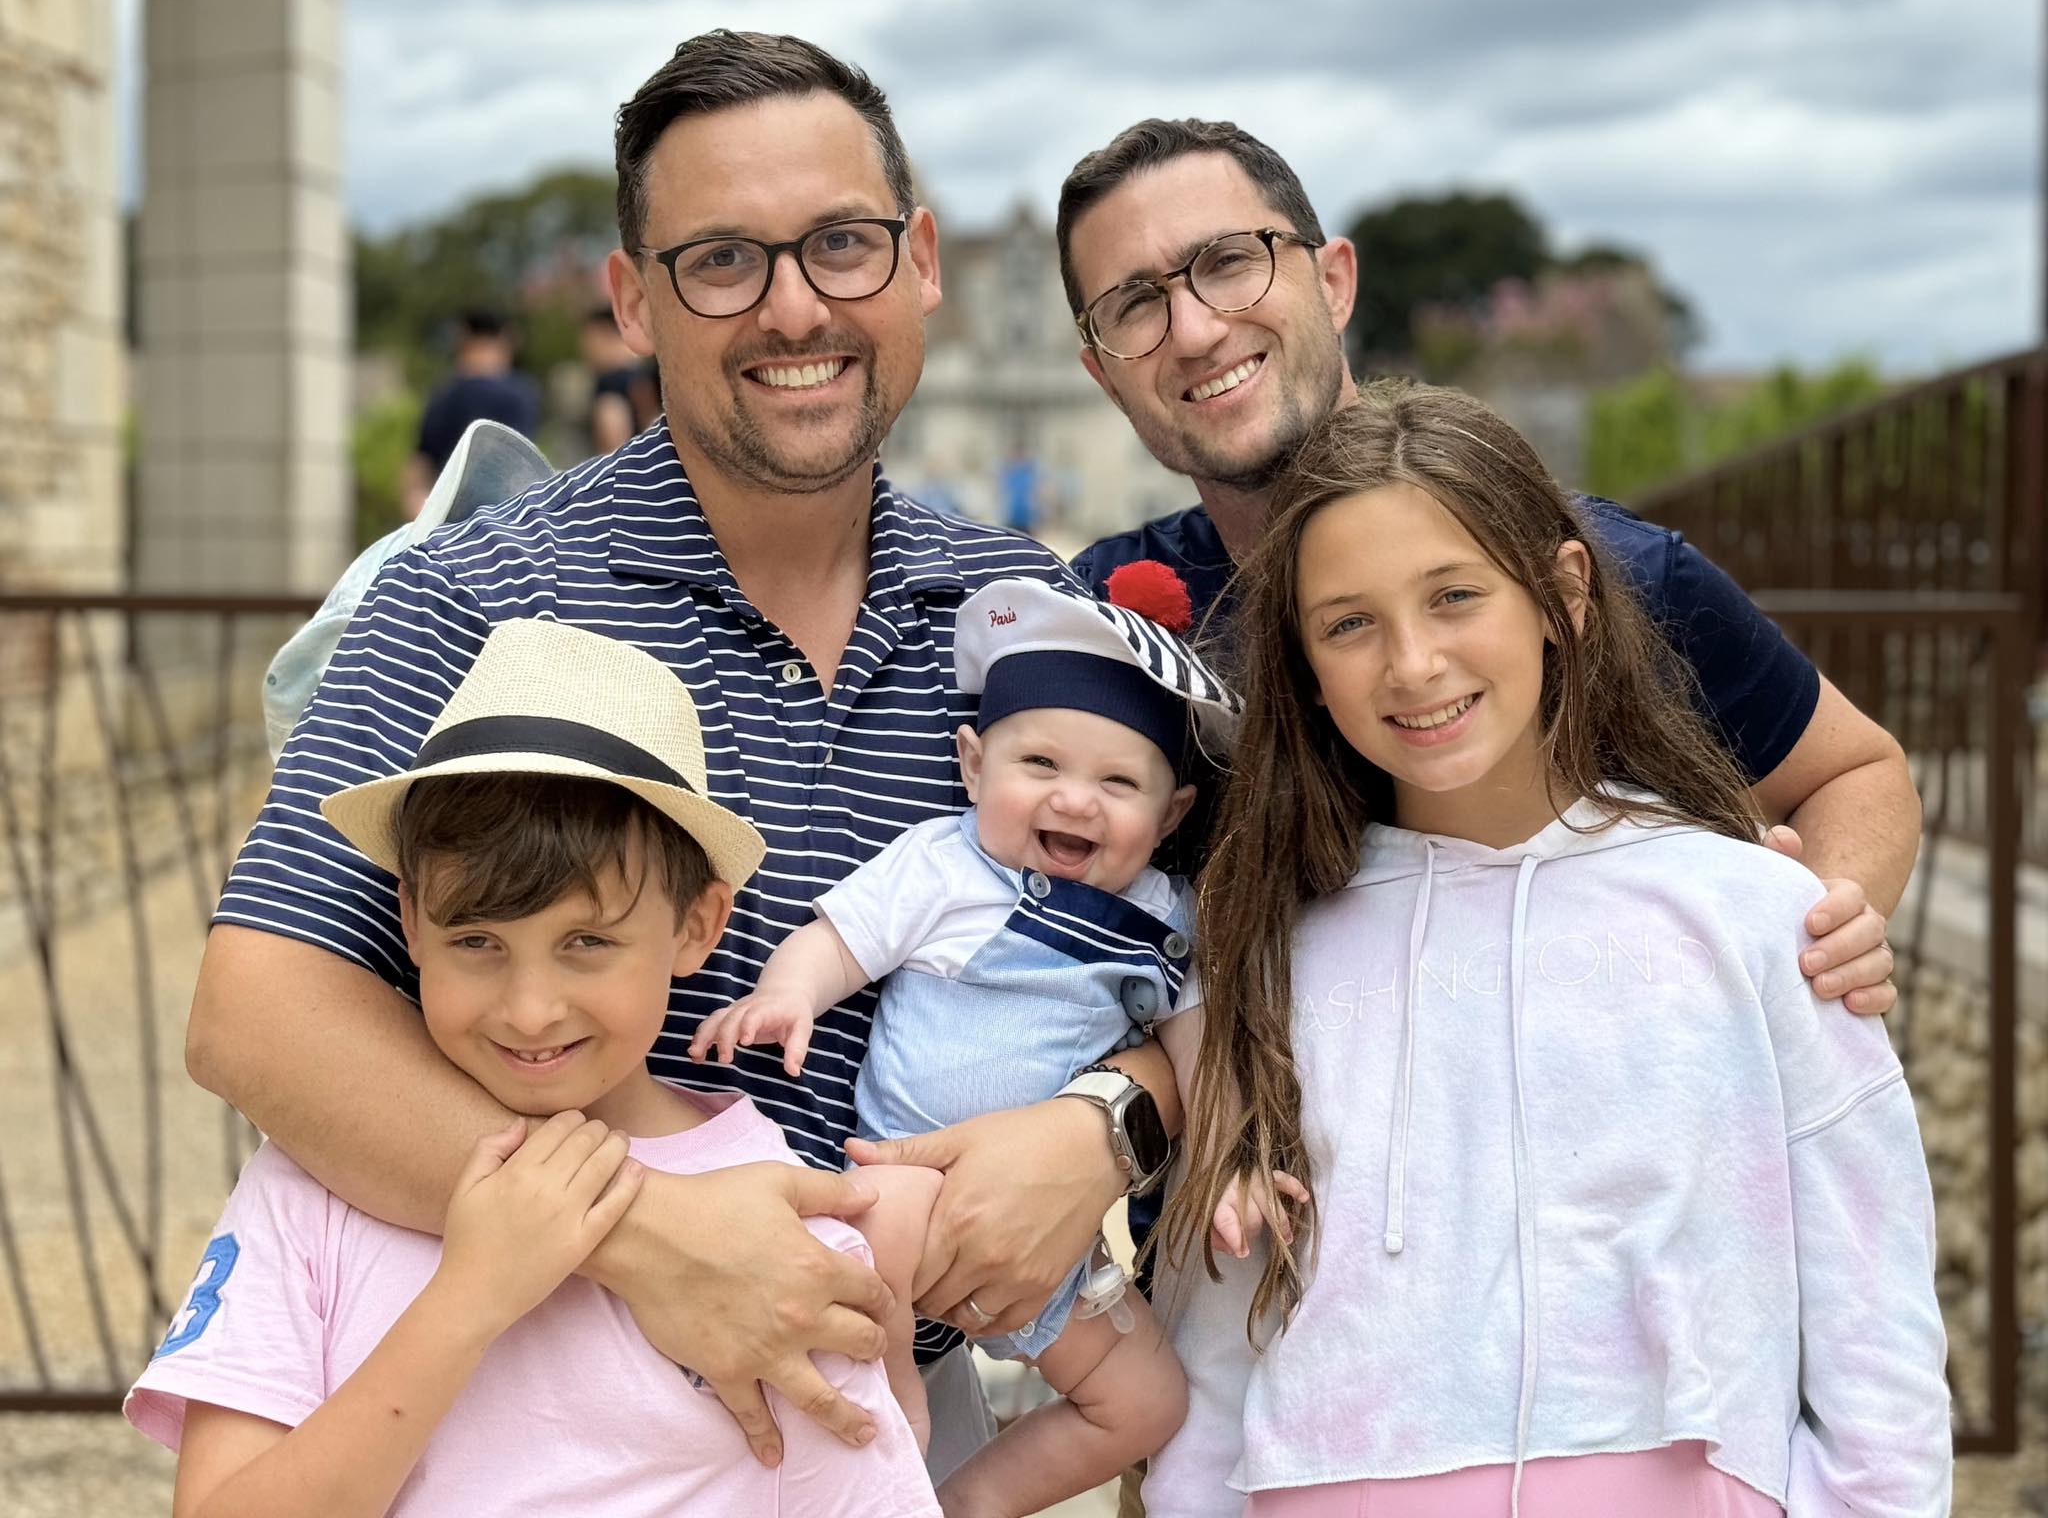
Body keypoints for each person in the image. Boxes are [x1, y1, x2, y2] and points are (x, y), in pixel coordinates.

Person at [183, 30, 1180, 1477]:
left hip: (892, 1407)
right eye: (722, 260)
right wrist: (652, 1242)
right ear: (632, 299)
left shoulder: (1014, 607)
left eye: (841, 245)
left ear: (920, 262)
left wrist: (1111, 1124)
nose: (794, 309)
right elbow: (257, 1012)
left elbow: (1220, 946)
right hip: (538, 1387)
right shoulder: (471, 597)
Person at [1144, 383, 1950, 1517]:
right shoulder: (1258, 952)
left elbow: (1875, 1329)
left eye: (1454, 595)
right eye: (1348, 623)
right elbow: (1217, 1331)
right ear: (1303, 663)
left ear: (1560, 594)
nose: (1413, 664)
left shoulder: (1752, 916)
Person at [1055, 118, 1914, 1017]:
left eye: (1230, 260)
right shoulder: (1100, 626)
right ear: (1102, 374)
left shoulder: (1600, 575)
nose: (1193, 329)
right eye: (1135, 305)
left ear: (1336, 282)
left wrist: (1801, 953)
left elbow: (1853, 774)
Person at [130, 620, 941, 1517]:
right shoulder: (313, 1186)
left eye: (587, 942)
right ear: (409, 918)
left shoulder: (779, 1233)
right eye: (476, 941)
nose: (529, 1009)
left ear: (698, 925)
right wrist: (470, 1300)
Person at [692, 574, 1235, 1516]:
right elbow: (843, 938)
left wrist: (1231, 1159)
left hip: (1049, 1237)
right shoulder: (944, 866)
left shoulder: (1161, 921)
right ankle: (891, 1410)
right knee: (884, 1266)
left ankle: (963, 1504)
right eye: (1041, 766)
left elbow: (1199, 1051)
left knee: (1147, 1404)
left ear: (1174, 813)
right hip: (900, 1176)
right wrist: (787, 993)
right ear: (974, 765)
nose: (1077, 800)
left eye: (1119, 782)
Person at [404, 308, 543, 517]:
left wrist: (419, 511)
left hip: (449, 519)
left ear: (463, 340)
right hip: (510, 518)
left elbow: (420, 464)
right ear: (506, 340)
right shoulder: (522, 393)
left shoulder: (445, 394)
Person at [584, 304, 660, 455]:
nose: (586, 350)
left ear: (605, 334)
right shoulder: (645, 369)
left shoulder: (610, 381)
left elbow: (611, 426)